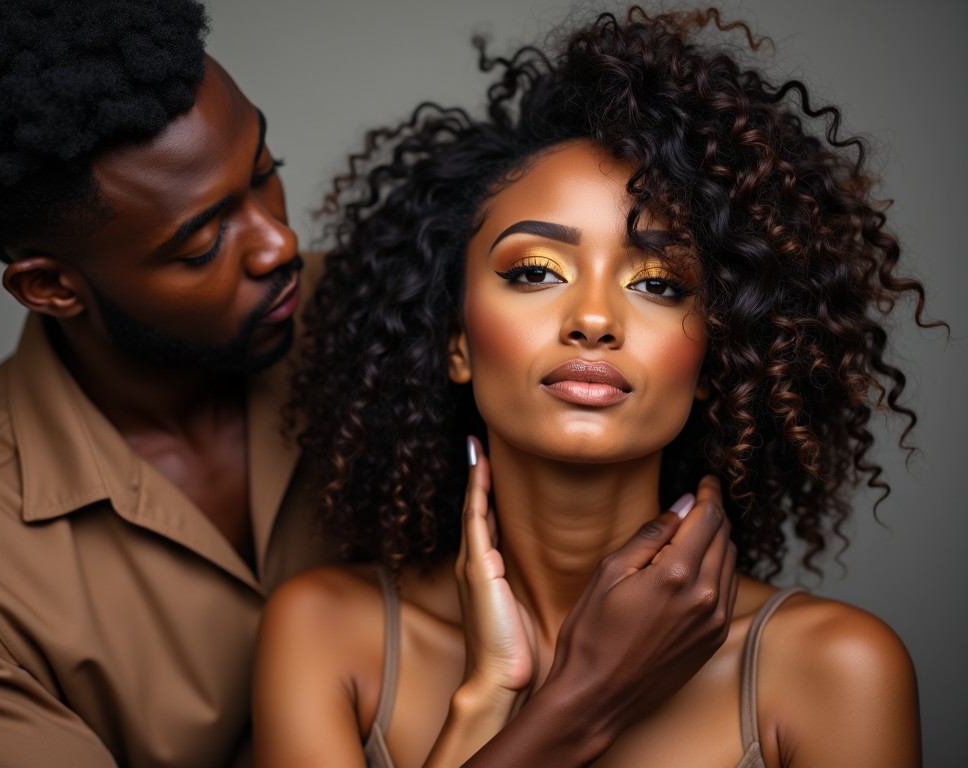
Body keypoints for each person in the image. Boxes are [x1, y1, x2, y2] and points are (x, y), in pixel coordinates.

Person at [0, 2, 735, 766]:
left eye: (265, 173)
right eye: (201, 242)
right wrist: (584, 697)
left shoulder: (392, 320)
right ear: (51, 287)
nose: (277, 243)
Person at [254, 7, 934, 767]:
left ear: (716, 362)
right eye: (536, 272)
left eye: (658, 283)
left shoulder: (833, 669)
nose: (594, 319)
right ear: (456, 343)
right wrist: (531, 694)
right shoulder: (325, 636)